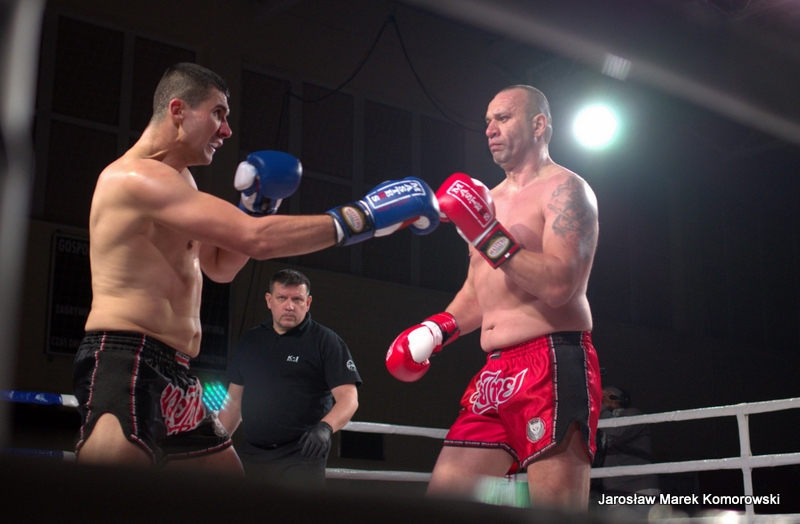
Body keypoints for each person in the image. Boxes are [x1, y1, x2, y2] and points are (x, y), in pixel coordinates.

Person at [72, 62, 439, 473]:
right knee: (105, 500)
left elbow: (219, 267)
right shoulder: (135, 178)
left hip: (175, 369)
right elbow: (255, 239)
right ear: (178, 110)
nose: (227, 130)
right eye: (218, 113)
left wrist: (254, 208)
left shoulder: (181, 181)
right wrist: (363, 217)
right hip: (128, 359)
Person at [385, 85, 602, 511]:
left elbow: (562, 285)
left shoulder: (566, 189)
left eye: (502, 118)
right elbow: (477, 291)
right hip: (496, 371)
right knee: (444, 504)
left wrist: (487, 234)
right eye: (487, 121)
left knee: (555, 513)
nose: (490, 129)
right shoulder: (486, 201)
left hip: (552, 361)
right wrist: (436, 329)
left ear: (538, 124)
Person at [218, 269, 360, 488]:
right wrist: (216, 444)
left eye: (297, 299)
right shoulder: (250, 340)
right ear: (269, 300)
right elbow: (234, 401)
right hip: (252, 455)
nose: (289, 306)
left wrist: (325, 427)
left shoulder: (325, 341)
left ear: (308, 303)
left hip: (301, 456)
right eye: (282, 298)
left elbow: (349, 397)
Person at [595, 387, 660, 498]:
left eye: (608, 393)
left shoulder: (634, 414)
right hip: (613, 491)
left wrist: (598, 405)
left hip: (639, 487)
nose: (603, 396)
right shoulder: (600, 425)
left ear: (621, 399)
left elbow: (618, 430)